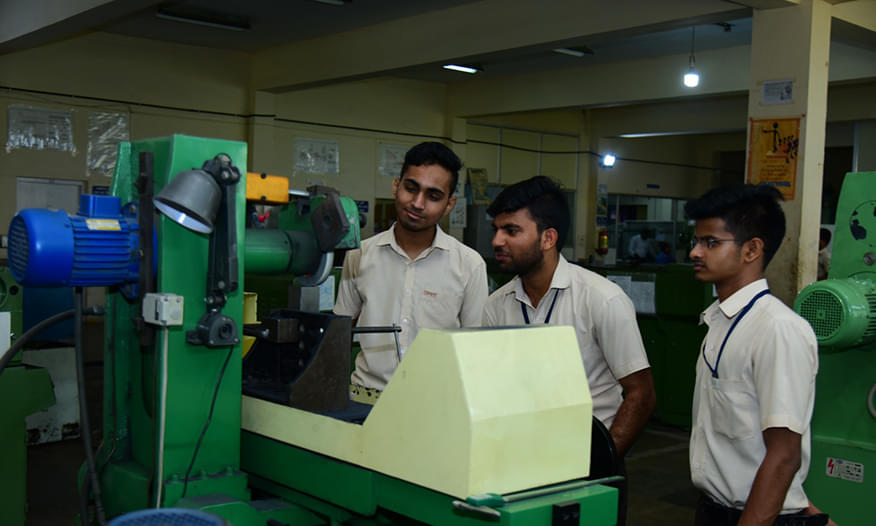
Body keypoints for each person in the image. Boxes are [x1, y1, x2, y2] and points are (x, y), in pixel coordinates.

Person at [482, 176, 655, 525]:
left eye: (511, 231)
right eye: (497, 229)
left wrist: (601, 464)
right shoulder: (496, 306)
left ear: (548, 238)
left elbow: (641, 394)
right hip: (522, 467)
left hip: (590, 468)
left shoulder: (601, 299)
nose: (497, 241)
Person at [685, 184, 834, 526]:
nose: (695, 252)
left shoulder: (777, 330)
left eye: (711, 243)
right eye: (696, 241)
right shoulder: (720, 321)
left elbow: (784, 454)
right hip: (716, 509)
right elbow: (752, 446)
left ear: (752, 249)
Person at [334, 142, 488, 390]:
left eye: (433, 196)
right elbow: (338, 334)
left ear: (449, 204)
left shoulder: (469, 265)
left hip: (434, 405)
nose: (417, 203)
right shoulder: (359, 255)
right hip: (365, 399)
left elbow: (475, 350)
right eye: (411, 188)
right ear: (396, 186)